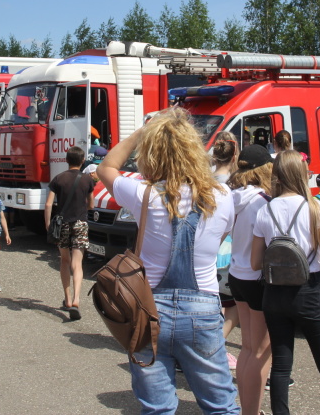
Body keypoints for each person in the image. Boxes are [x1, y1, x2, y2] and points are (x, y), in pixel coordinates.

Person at [97, 107, 240, 415]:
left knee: (157, 409)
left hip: (149, 308)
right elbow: (223, 234)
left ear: (150, 152)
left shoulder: (143, 194)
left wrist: (141, 132)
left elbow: (106, 167)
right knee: (221, 407)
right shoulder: (224, 195)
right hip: (202, 307)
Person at [251, 150, 320, 415]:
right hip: (308, 291)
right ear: (300, 174)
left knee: (282, 366)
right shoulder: (314, 207)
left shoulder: (265, 210)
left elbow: (255, 263)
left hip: (274, 294)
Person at [228, 144, 274, 415]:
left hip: (237, 274)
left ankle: (246, 408)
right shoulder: (264, 203)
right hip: (257, 278)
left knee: (247, 348)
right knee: (262, 352)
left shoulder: (233, 197)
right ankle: (251, 412)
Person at [45, 146, 95, 320]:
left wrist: (47, 224)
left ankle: (66, 299)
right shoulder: (87, 179)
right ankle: (76, 300)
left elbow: (48, 204)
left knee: (64, 261)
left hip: (63, 224)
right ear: (82, 161)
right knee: (77, 263)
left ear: (67, 160)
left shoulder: (58, 179)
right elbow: (91, 205)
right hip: (80, 223)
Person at [211, 131, 240, 369]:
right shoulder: (233, 185)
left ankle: (214, 346)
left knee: (217, 304)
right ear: (234, 155)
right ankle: (216, 347)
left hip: (209, 250)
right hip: (228, 252)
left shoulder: (206, 180)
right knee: (233, 307)